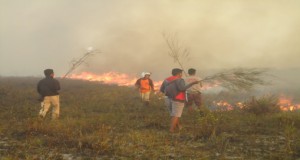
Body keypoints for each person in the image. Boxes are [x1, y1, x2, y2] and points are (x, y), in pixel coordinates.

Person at [160, 68, 199, 133]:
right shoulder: (180, 80)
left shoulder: (166, 79)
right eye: (181, 73)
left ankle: (178, 127)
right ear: (179, 73)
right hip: (178, 99)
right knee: (176, 114)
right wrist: (192, 84)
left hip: (167, 98)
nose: (182, 74)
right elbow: (182, 88)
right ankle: (171, 130)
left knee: (174, 114)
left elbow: (161, 89)